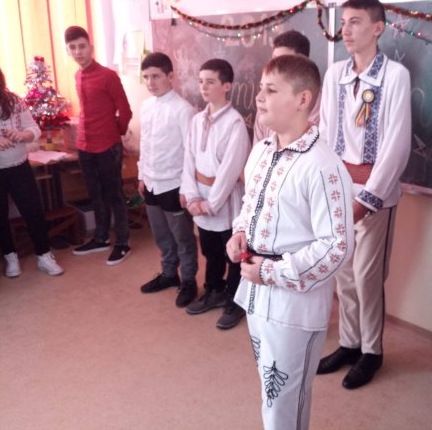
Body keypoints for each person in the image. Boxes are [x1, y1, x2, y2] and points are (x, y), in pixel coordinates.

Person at [227, 54, 354, 430]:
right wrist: (239, 232)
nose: (259, 98)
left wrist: (272, 272)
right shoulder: (262, 150)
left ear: (303, 99)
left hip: (293, 305)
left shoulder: (323, 165)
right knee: (270, 390)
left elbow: (336, 245)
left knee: (284, 397)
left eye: (271, 90)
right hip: (256, 292)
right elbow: (251, 204)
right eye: (260, 89)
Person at [316, 0, 411, 389]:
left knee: (367, 276)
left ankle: (372, 351)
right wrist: (327, 188)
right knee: (343, 274)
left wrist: (367, 199)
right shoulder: (335, 73)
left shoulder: (395, 76)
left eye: (355, 22)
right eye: (343, 22)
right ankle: (349, 343)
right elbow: (324, 133)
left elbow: (396, 144)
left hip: (373, 194)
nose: (346, 30)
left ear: (378, 28)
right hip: (338, 189)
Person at [180, 59, 250, 329]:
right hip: (199, 198)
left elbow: (231, 170)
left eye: (210, 82)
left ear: (227, 86)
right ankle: (214, 290)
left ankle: (235, 299)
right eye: (201, 81)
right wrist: (192, 196)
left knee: (233, 253)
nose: (204, 87)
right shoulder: (197, 120)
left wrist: (211, 203)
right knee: (210, 251)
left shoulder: (235, 123)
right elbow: (188, 159)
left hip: (223, 201)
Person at [64, 25, 133, 265]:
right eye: (73, 48)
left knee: (114, 194)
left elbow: (125, 110)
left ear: (90, 47)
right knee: (95, 194)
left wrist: (116, 133)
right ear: (68, 51)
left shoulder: (108, 76)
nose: (78, 52)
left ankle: (123, 242)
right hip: (84, 145)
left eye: (82, 46)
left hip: (107, 145)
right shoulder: (77, 76)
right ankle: (101, 238)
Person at [136, 52, 199, 308]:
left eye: (156, 76)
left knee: (182, 237)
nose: (150, 83)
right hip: (151, 182)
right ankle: (169, 273)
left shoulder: (183, 110)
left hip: (174, 185)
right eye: (146, 77)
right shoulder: (146, 106)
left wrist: (187, 188)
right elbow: (145, 143)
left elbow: (190, 153)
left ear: (170, 76)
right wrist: (141, 175)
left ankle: (189, 280)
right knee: (161, 235)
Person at [0, 62, 64, 277]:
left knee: (33, 211)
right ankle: (10, 257)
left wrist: (22, 135)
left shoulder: (13, 100)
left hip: (19, 166)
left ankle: (44, 255)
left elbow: (33, 128)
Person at [252, 29, 320, 145]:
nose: (275, 66)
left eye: (284, 61)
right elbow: (258, 147)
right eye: (274, 59)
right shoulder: (264, 108)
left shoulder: (322, 107)